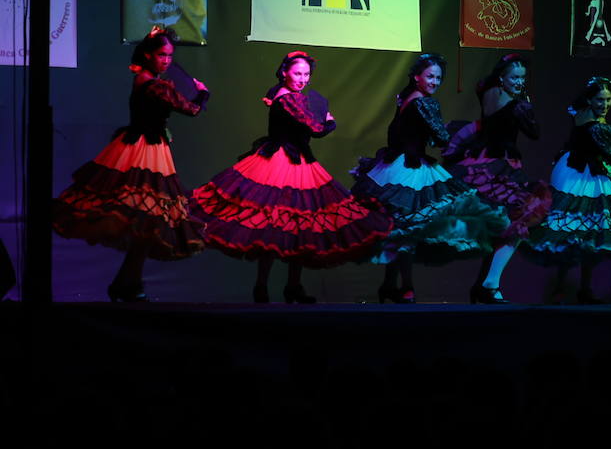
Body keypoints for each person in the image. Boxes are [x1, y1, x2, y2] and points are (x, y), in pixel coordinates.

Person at [193, 50, 392, 302]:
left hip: (296, 160)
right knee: (274, 222)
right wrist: (330, 122)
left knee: (297, 224)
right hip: (280, 163)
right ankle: (265, 286)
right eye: (297, 73)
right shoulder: (288, 98)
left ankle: (288, 286)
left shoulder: (280, 93)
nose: (302, 79)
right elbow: (316, 130)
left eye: (306, 74)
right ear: (285, 72)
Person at [53, 27, 209, 301]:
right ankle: (128, 283)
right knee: (147, 219)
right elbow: (191, 110)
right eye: (162, 55)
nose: (167, 61)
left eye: (170, 56)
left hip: (149, 147)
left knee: (147, 223)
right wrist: (202, 94)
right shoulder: (153, 84)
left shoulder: (146, 78)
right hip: (143, 152)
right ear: (148, 54)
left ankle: (129, 283)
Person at [351, 53, 508, 303]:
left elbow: (416, 133)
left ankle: (392, 285)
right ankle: (405, 287)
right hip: (409, 168)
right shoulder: (425, 103)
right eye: (430, 76)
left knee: (401, 227)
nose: (435, 81)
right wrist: (458, 137)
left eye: (438, 77)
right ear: (416, 77)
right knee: (408, 227)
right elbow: (441, 138)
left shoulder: (406, 97)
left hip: (397, 164)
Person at [524, 76, 611, 302]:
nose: (604, 105)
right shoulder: (596, 125)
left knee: (589, 230)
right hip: (580, 175)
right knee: (575, 229)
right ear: (589, 99)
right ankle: (564, 288)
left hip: (579, 168)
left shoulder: (583, 115)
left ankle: (580, 288)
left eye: (608, 100)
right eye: (599, 100)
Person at [442, 52, 552, 304]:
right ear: (502, 77)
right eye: (514, 76)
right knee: (514, 223)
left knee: (506, 228)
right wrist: (525, 102)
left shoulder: (488, 92)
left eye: (523, 77)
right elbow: (534, 132)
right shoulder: (515, 103)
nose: (519, 81)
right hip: (496, 167)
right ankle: (489, 284)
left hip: (491, 163)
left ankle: (486, 285)